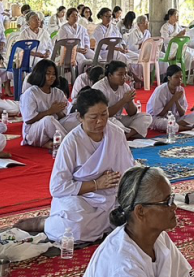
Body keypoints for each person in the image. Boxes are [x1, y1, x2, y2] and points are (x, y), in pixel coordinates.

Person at [16, 88, 135, 244]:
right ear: (80, 117)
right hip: (80, 199)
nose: (100, 121)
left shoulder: (116, 134)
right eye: (93, 117)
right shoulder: (71, 142)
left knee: (140, 215)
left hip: (111, 196)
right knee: (75, 229)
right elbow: (57, 188)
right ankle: (44, 223)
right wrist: (95, 185)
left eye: (104, 115)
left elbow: (128, 170)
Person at [20, 58, 76, 147]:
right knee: (48, 120)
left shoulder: (58, 92)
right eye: (48, 73)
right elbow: (28, 120)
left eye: (54, 74)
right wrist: (50, 111)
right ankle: (69, 145)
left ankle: (52, 141)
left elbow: (64, 117)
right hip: (33, 131)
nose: (52, 76)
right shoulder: (31, 93)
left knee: (76, 117)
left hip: (54, 128)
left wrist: (59, 112)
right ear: (40, 74)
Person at [95, 60, 152, 138]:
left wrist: (129, 100)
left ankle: (126, 135)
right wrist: (124, 100)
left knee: (146, 116)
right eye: (120, 74)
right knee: (110, 123)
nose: (124, 77)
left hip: (119, 118)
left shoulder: (125, 86)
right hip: (104, 119)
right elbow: (104, 114)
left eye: (125, 74)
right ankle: (125, 133)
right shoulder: (100, 88)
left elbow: (132, 113)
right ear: (110, 75)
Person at [147, 65, 194, 132]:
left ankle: (174, 126)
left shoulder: (180, 89)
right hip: (158, 118)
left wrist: (176, 101)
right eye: (176, 77)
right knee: (163, 123)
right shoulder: (161, 90)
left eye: (181, 77)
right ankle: (188, 127)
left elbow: (182, 113)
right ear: (169, 78)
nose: (179, 79)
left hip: (173, 118)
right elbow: (159, 114)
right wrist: (173, 99)